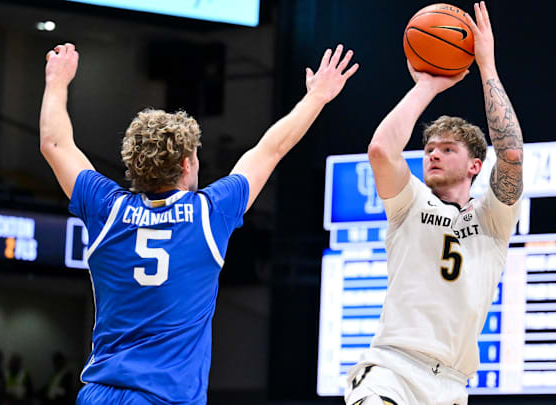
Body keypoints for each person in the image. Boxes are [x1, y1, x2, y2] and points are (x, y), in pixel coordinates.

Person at [39, 41, 358, 404]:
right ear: (187, 164)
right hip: (166, 398)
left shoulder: (105, 208)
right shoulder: (209, 213)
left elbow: (54, 144)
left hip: (100, 395)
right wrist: (316, 97)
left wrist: (57, 81)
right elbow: (271, 148)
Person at [344, 3, 523, 405]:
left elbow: (510, 154)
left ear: (476, 165)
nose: (433, 155)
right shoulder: (410, 203)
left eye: (446, 148)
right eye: (428, 149)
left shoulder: (493, 219)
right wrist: (427, 85)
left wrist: (486, 66)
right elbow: (380, 149)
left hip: (451, 386)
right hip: (392, 370)